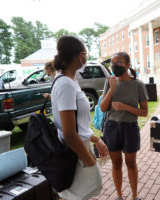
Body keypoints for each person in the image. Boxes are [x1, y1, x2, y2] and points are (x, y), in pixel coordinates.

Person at [51, 35, 109, 200]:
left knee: (83, 193)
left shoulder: (69, 81)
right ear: (80, 56)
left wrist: (96, 140)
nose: (87, 57)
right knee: (81, 193)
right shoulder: (66, 84)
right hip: (74, 150)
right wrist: (88, 160)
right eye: (86, 54)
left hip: (79, 146)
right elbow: (69, 133)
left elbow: (77, 124)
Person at [100, 52, 148, 200]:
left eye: (119, 62)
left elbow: (144, 112)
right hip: (111, 127)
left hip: (130, 128)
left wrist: (124, 107)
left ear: (127, 65)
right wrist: (112, 88)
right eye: (113, 63)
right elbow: (102, 108)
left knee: (131, 163)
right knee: (116, 164)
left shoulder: (138, 84)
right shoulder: (109, 82)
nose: (115, 65)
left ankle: (134, 196)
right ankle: (119, 196)